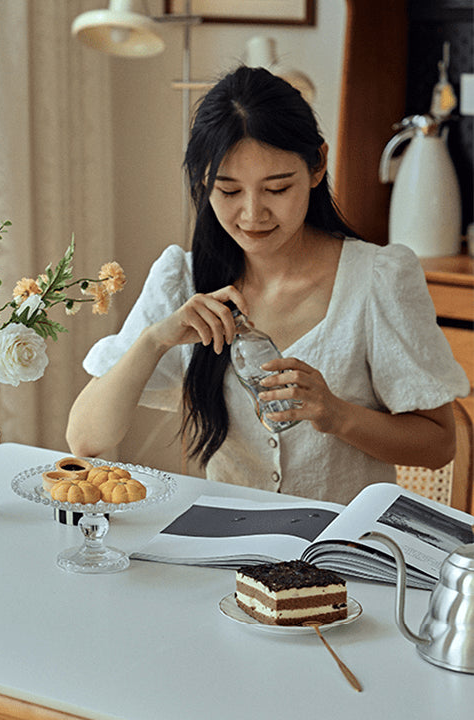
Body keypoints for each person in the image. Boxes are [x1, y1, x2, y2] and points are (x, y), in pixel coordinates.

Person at [66, 66, 469, 506]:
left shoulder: (377, 279)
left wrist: (337, 415)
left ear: (317, 166)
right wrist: (155, 339)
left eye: (277, 188)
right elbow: (84, 439)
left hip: (344, 552)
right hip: (227, 551)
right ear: (204, 181)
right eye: (229, 191)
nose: (252, 214)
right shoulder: (183, 278)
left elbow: (438, 445)